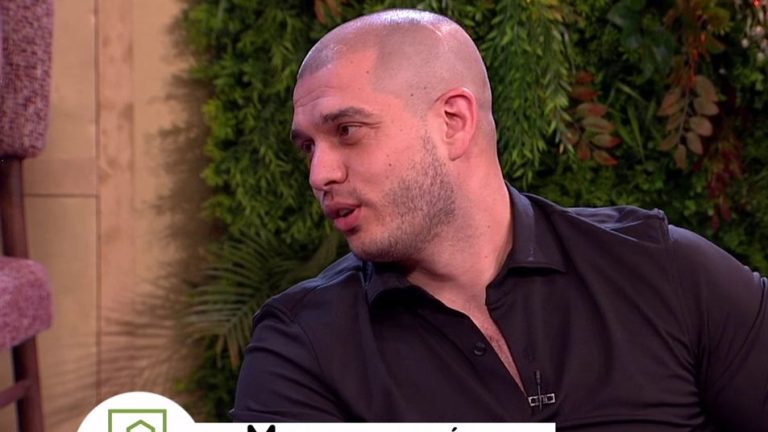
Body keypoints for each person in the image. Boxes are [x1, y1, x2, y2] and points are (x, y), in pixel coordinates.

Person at [232, 9, 768, 430]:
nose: (320, 174)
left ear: (453, 122)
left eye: (346, 131)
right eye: (308, 147)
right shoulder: (302, 348)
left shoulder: (661, 269)